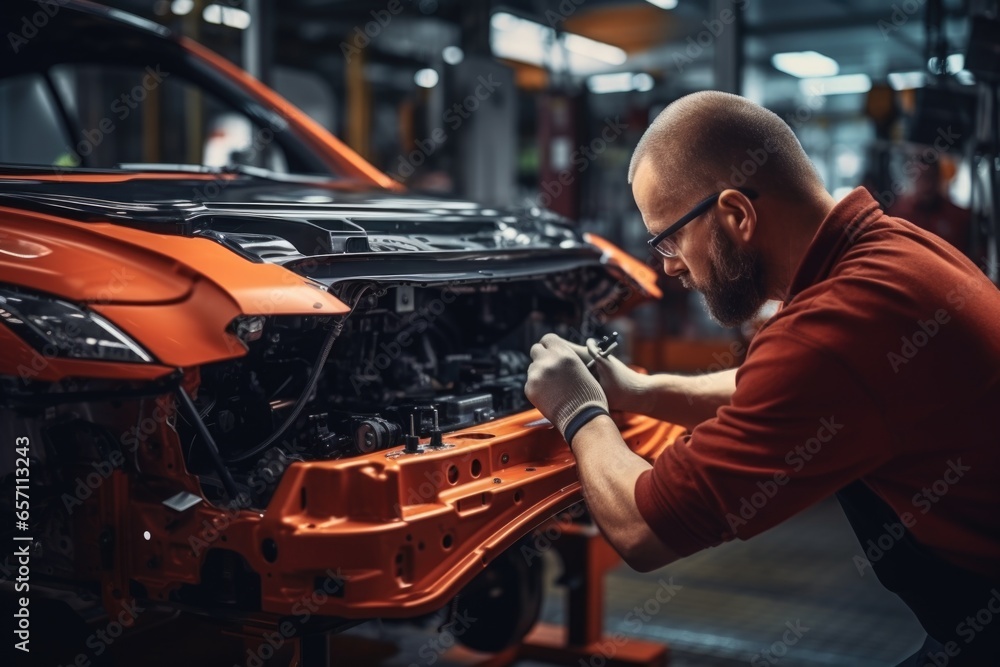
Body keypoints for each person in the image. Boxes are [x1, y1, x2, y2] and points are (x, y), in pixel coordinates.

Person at [524, 91, 1000, 667]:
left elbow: (643, 529)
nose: (668, 265)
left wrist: (577, 410)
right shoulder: (891, 251)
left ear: (737, 215)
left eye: (669, 238)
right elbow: (782, 391)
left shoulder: (835, 327)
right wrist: (635, 391)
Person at [888, 155, 972, 257]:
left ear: (938, 179)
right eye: (921, 178)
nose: (927, 185)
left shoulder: (959, 217)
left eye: (930, 177)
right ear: (912, 179)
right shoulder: (898, 214)